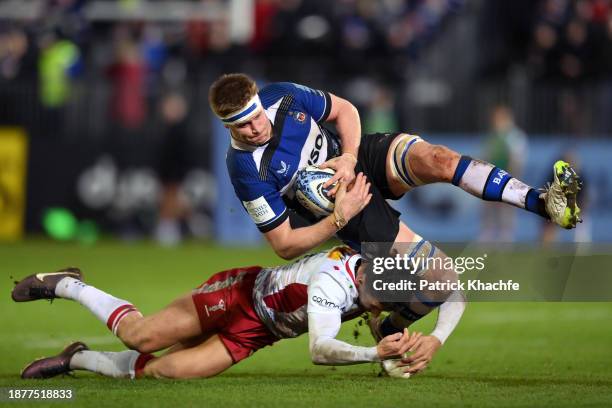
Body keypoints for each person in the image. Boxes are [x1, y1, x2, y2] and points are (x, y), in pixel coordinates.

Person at [208, 73, 582, 260]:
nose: (256, 127)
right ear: (228, 127)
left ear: (259, 101)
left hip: (354, 157)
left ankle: (540, 202)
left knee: (439, 159)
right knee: (436, 276)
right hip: (343, 207)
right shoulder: (244, 169)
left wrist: (351, 158)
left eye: (256, 116)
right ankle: (387, 327)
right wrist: (339, 218)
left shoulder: (282, 96)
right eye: (243, 125)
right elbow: (284, 245)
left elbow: (345, 111)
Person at [12, 245, 465, 380]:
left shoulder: (386, 267)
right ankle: (67, 283)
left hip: (256, 333)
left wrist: (436, 339)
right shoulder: (331, 284)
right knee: (141, 338)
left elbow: (456, 289)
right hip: (239, 296)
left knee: (161, 372)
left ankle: (75, 358)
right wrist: (375, 355)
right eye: (380, 302)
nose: (381, 310)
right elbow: (321, 349)